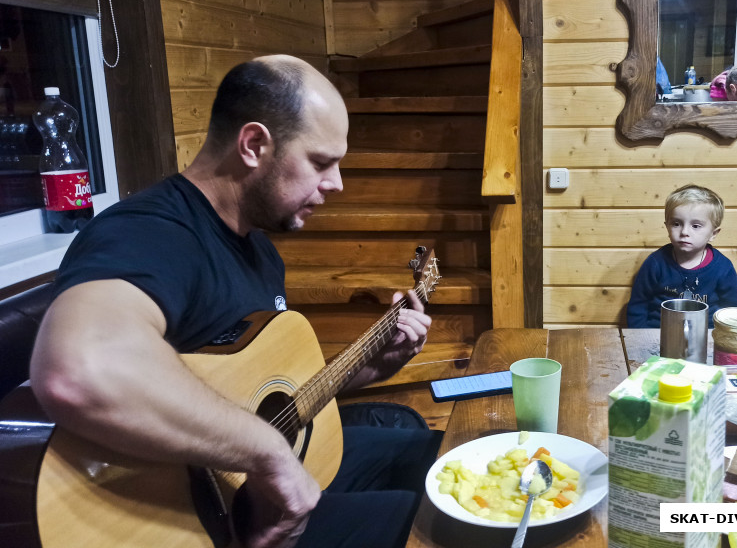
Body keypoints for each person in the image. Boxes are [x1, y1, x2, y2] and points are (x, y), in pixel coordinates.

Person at [29, 55, 441, 548]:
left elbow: (265, 400)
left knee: (441, 457)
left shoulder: (259, 249)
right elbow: (77, 369)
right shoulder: (149, 233)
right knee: (455, 526)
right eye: (321, 162)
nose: (336, 183)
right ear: (253, 145)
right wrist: (265, 450)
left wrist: (372, 368)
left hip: (254, 492)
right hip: (189, 524)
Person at [626, 184, 737, 328]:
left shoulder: (722, 267)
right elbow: (638, 306)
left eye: (696, 226)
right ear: (667, 227)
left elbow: (736, 312)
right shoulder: (655, 263)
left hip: (706, 338)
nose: (684, 232)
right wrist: (640, 339)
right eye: (676, 224)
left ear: (713, 234)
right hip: (658, 336)